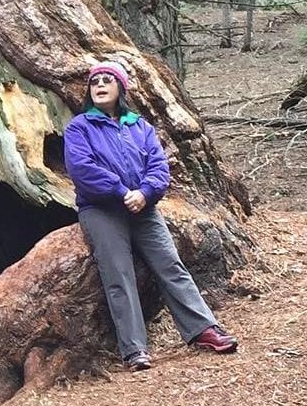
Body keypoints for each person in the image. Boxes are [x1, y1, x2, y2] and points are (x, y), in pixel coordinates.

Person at [64, 61, 238, 371]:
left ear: (121, 88)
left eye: (107, 80)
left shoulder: (139, 127)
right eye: (95, 82)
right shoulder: (80, 127)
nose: (100, 85)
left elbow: (159, 167)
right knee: (118, 273)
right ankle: (134, 350)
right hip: (102, 210)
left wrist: (144, 193)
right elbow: (82, 169)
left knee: (170, 265)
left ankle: (203, 330)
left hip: (143, 209)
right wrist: (121, 192)